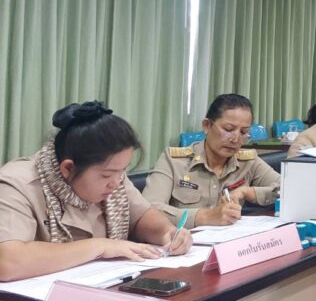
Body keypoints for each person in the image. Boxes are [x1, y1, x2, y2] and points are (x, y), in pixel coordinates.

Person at [0, 102, 192, 281]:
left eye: (123, 170)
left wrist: (166, 232)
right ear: (68, 168)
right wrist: (101, 246)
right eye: (106, 175)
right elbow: (8, 262)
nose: (116, 183)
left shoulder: (114, 176)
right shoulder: (17, 183)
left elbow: (141, 216)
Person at [144, 94, 280, 229]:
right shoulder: (174, 161)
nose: (235, 139)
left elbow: (287, 189)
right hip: (184, 239)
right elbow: (149, 210)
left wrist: (248, 192)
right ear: (207, 125)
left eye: (243, 132)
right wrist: (205, 217)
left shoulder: (248, 162)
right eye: (228, 129)